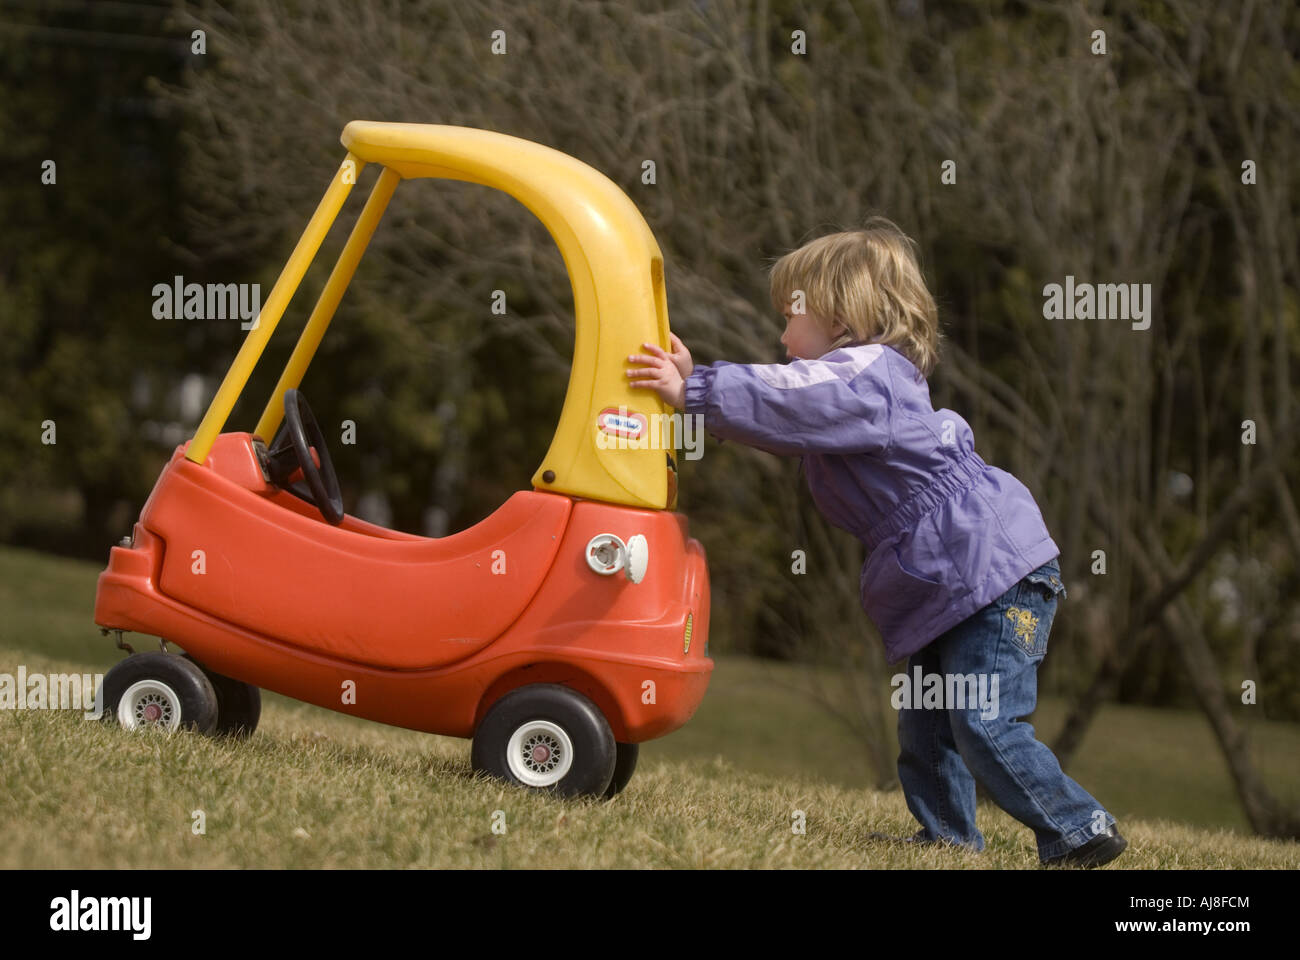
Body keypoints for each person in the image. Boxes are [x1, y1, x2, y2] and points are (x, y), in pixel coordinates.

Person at [625, 217, 1126, 868]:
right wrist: (700, 390)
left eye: (791, 316)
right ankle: (948, 838)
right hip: (945, 576)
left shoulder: (867, 377)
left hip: (988, 569)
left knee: (982, 722)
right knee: (927, 723)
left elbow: (791, 402)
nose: (781, 335)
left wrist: (697, 390)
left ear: (839, 318)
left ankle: (1078, 828)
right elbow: (786, 418)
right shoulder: (856, 388)